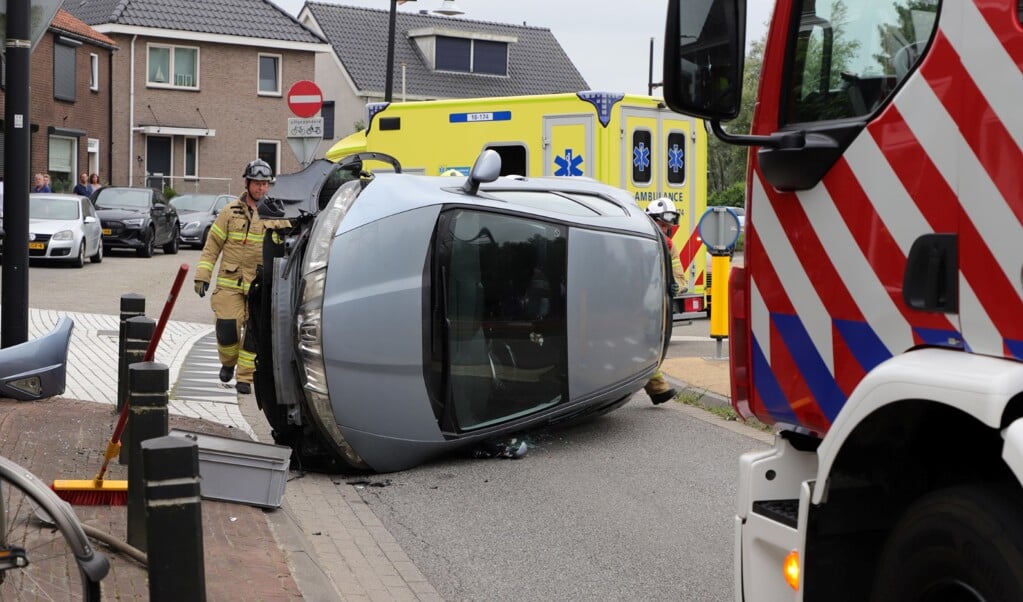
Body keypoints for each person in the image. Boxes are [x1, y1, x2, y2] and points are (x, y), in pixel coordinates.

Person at [193, 159, 290, 395]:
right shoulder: (230, 212)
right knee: (228, 328)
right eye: (257, 183)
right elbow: (212, 245)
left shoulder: (276, 213)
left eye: (265, 184)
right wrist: (202, 275)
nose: (261, 188)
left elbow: (287, 246)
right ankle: (228, 362)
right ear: (247, 183)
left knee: (254, 335)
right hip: (230, 283)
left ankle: (245, 378)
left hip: (260, 285)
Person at [643, 197, 688, 405]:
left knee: (647, 347)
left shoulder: (669, 246)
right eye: (661, 225)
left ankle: (657, 388)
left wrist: (673, 287)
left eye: (667, 227)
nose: (664, 230)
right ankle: (657, 387)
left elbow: (681, 279)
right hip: (629, 304)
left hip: (652, 306)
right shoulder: (635, 240)